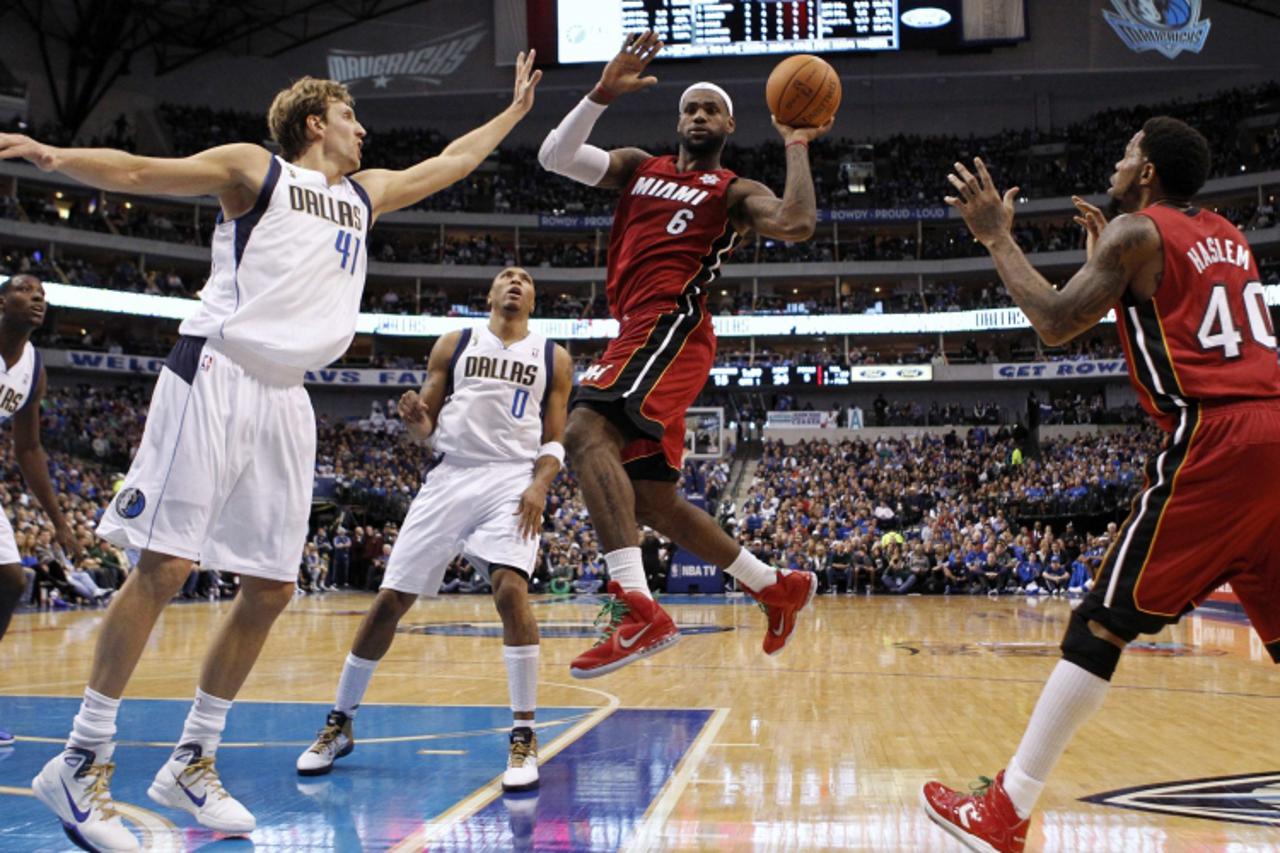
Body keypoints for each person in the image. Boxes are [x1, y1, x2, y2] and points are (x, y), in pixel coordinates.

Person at [6, 52, 542, 851]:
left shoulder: (365, 195)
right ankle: (82, 758)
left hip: (289, 396)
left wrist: (514, 113)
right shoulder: (253, 169)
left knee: (271, 586)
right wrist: (53, 157)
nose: (365, 130)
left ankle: (195, 754)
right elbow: (143, 169)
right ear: (315, 122)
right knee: (165, 566)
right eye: (352, 117)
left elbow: (449, 162)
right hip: (216, 370)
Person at [922, 117, 1280, 853]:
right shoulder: (1227, 234)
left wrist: (996, 236)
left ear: (1146, 173)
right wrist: (1111, 279)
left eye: (1126, 154)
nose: (1116, 164)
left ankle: (1007, 809)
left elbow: (1053, 320)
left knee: (1099, 625)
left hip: (1219, 440)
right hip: (1274, 427)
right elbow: (1175, 311)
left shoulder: (1133, 233)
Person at [538, 31, 831, 677]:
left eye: (711, 110)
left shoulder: (732, 190)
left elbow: (797, 221)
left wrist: (798, 142)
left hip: (671, 324)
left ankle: (636, 604)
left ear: (729, 125)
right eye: (690, 108)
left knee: (585, 430)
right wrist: (600, 93)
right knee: (651, 501)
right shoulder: (638, 167)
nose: (699, 115)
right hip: (638, 328)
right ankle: (772, 586)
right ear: (679, 123)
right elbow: (554, 155)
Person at [296, 267, 572, 795]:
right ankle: (339, 722)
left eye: (525, 278)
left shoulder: (553, 356)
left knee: (511, 591)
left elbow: (555, 438)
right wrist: (415, 418)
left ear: (533, 299)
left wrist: (540, 485)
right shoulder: (455, 341)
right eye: (505, 276)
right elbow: (427, 427)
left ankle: (523, 734)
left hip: (512, 479)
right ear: (489, 294)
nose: (515, 282)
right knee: (388, 602)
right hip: (451, 474)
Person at [0, 274, 84, 748]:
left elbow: (29, 448)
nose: (36, 298)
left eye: (42, 295)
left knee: (11, 580)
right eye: (26, 289)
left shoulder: (33, 366)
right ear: (1, 300)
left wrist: (58, 521)